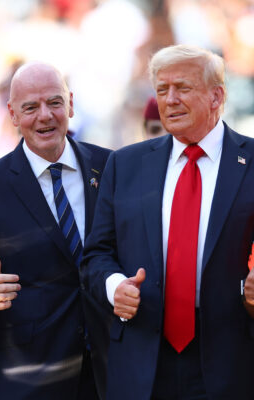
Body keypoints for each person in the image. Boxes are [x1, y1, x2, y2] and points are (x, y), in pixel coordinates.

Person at [82, 44, 254, 400]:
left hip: (231, 361)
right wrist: (116, 287)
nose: (170, 99)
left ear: (216, 96)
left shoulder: (251, 162)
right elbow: (96, 255)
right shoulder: (125, 165)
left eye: (183, 88)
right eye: (162, 90)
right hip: (141, 358)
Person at [0, 62, 112, 400]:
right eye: (30, 107)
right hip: (26, 380)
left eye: (53, 102)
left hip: (109, 373)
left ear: (70, 103)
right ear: (12, 114)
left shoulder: (111, 167)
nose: (45, 116)